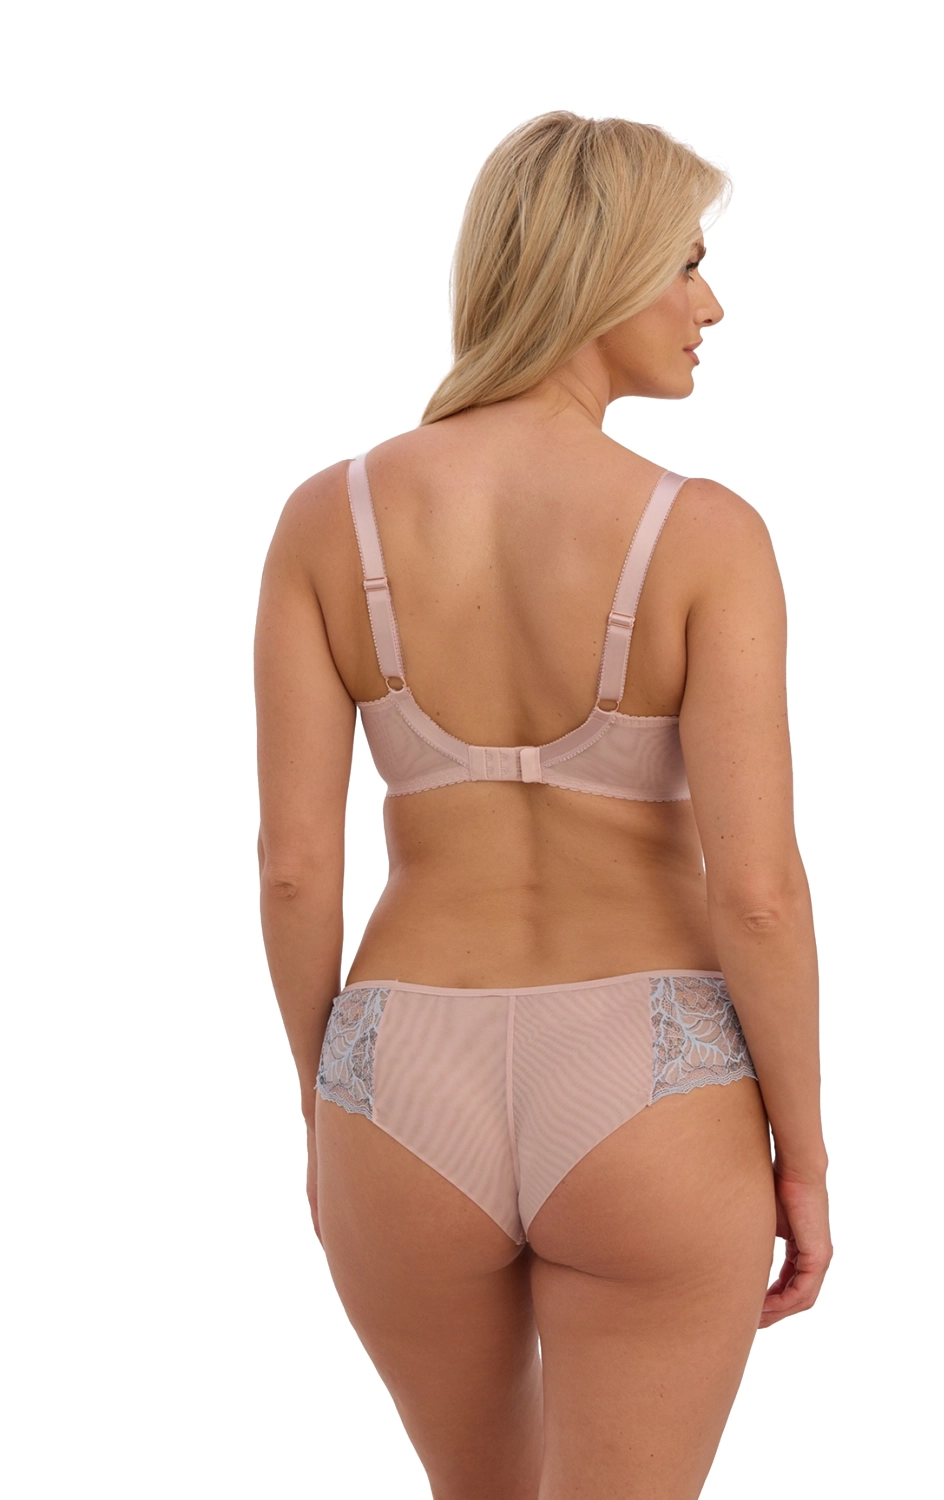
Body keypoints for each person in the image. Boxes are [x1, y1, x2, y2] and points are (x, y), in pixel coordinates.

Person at [255, 110, 832, 1500]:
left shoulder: (327, 521)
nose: (710, 306)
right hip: (652, 1081)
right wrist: (803, 1162)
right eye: (684, 265)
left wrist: (325, 1106)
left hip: (398, 1074)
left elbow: (292, 869)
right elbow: (759, 893)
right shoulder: (704, 535)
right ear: (599, 269)